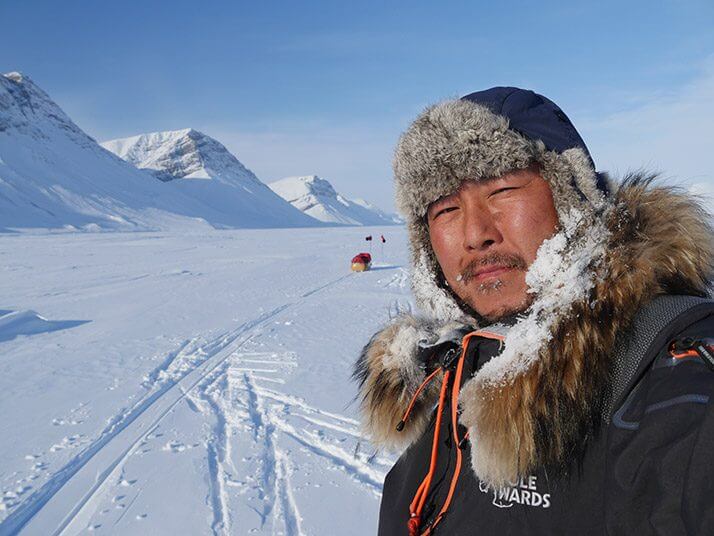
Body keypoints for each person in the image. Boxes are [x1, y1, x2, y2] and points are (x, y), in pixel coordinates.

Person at [354, 87, 714, 535]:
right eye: (445, 208)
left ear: (572, 201)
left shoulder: (674, 381)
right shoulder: (438, 380)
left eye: (503, 189)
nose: (475, 234)